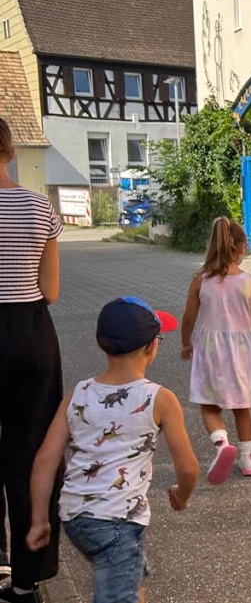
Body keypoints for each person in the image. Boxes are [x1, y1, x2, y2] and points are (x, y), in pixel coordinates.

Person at [26, 297, 199, 603]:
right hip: (116, 523)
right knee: (119, 589)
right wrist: (182, 494)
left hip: (75, 518)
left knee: (131, 574)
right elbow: (187, 468)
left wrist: (40, 520)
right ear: (151, 347)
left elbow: (44, 460)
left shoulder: (77, 394)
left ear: (99, 343)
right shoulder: (160, 399)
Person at [0, 115, 63, 603]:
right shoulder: (40, 207)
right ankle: (27, 577)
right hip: (30, 332)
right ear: (9, 150)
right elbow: (52, 291)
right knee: (33, 454)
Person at [180, 217, 251, 484]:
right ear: (243, 247)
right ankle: (247, 459)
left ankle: (222, 443)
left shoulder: (201, 281)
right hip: (242, 353)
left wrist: (186, 342)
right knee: (242, 406)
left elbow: (189, 317)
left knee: (209, 403)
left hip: (210, 351)